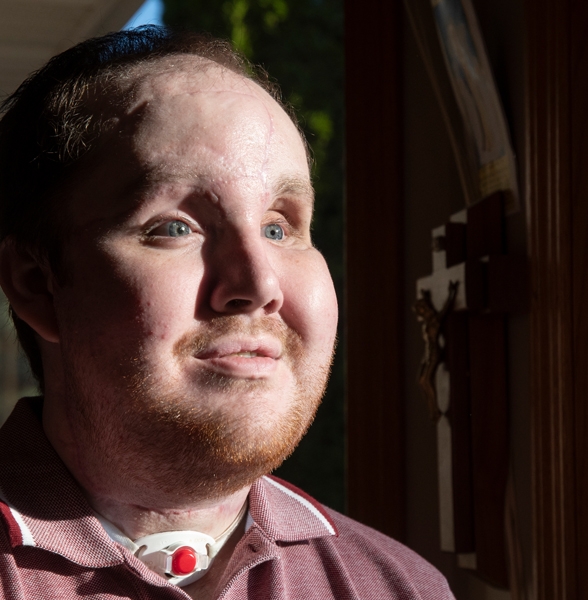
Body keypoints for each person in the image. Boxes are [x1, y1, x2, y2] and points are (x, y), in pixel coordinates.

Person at [0, 26, 454, 600]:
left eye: (278, 226)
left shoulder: (400, 589)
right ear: (37, 285)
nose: (259, 284)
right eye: (173, 227)